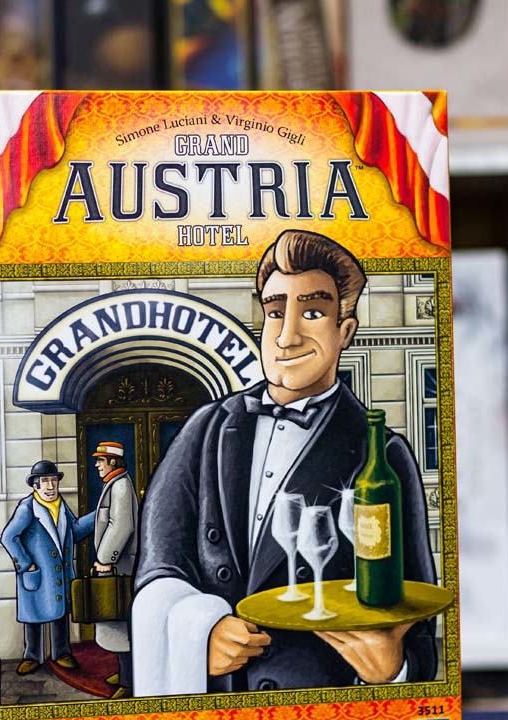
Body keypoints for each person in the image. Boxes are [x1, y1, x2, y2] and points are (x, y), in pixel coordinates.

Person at [132, 229, 438, 696]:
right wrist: (201, 633)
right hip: (217, 706)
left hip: (319, 708)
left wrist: (392, 668)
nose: (288, 336)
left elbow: (419, 617)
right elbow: (159, 565)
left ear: (345, 332)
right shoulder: (206, 429)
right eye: (276, 312)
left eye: (312, 313)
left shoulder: (381, 452)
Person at [0, 460, 93, 675]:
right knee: (34, 614)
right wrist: (26, 564)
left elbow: (74, 530)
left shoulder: (61, 506)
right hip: (37, 574)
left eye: (53, 481)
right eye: (45, 482)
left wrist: (98, 516)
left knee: (60, 613)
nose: (50, 487)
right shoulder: (27, 508)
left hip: (59, 574)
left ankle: (61, 653)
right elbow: (8, 537)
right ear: (35, 485)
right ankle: (32, 656)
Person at [85, 442, 138, 699]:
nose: (97, 464)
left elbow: (121, 526)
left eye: (101, 460)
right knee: (116, 622)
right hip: (117, 565)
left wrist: (105, 559)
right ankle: (123, 672)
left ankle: (128, 682)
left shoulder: (120, 486)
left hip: (120, 566)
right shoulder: (116, 483)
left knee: (120, 622)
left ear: (113, 462)